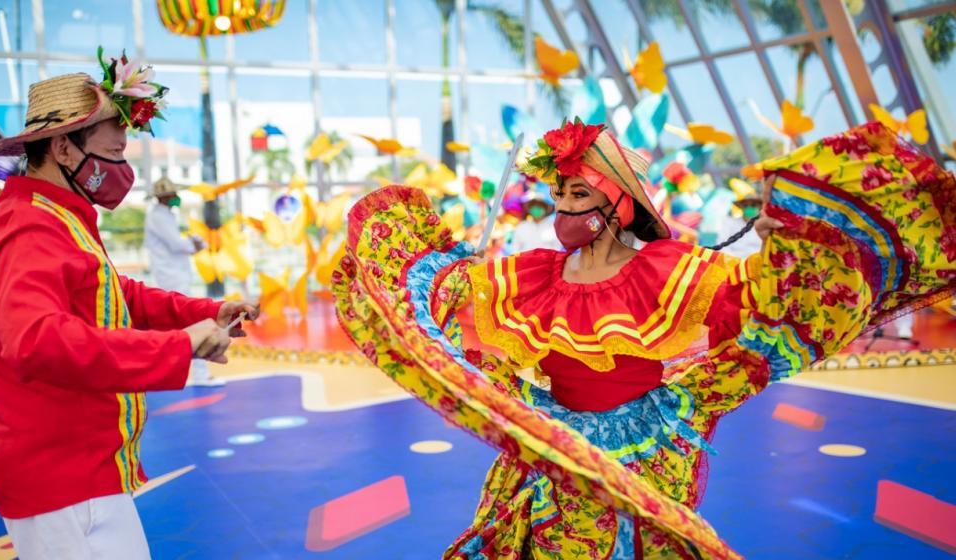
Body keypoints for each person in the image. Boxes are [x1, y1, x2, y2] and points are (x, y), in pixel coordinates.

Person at [331, 119, 956, 557]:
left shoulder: (666, 269)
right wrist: (440, 271)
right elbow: (447, 293)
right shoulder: (535, 272)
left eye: (578, 193)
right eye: (559, 194)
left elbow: (758, 300)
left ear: (617, 204)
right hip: (556, 436)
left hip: (647, 441)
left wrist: (781, 240)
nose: (563, 208)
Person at [0, 52, 259, 560]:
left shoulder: (60, 216)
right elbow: (37, 342)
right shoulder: (29, 227)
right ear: (62, 147)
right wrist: (178, 347)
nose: (121, 170)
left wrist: (203, 313)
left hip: (80, 467)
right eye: (114, 153)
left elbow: (114, 293)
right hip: (56, 475)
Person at [144, 177, 221, 386]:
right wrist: (194, 244)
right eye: (172, 195)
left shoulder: (165, 215)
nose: (176, 197)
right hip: (171, 276)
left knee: (181, 322)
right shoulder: (158, 217)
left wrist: (193, 243)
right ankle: (199, 374)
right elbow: (177, 245)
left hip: (174, 273)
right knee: (187, 321)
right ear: (163, 197)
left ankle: (194, 373)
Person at [507, 188, 561, 253]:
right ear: (529, 209)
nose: (536, 209)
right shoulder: (522, 226)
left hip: (546, 262)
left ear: (546, 209)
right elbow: (515, 248)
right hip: (525, 261)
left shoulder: (554, 227)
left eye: (540, 206)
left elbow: (557, 248)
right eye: (534, 206)